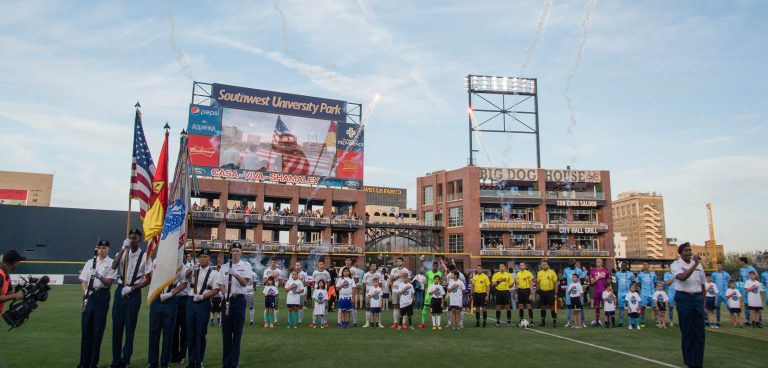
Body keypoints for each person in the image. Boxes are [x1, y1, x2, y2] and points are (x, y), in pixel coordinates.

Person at [110, 229, 149, 368]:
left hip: (134, 293)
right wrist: (122, 249)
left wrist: (132, 288)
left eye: (135, 238)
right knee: (117, 327)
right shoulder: (123, 253)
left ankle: (126, 360)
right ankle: (115, 360)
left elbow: (147, 280)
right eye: (130, 237)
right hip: (120, 291)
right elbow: (113, 266)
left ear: (139, 240)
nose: (132, 240)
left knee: (130, 328)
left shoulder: (145, 256)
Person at [79, 240, 116, 368]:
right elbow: (84, 280)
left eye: (104, 248)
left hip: (102, 295)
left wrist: (99, 276)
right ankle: (83, 362)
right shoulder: (90, 262)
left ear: (108, 249)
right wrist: (85, 292)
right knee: (86, 330)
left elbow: (109, 283)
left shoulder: (111, 263)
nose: (101, 250)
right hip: (89, 296)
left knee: (97, 330)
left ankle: (93, 363)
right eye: (100, 248)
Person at [147, 257, 188, 368]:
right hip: (157, 297)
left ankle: (165, 362)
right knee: (154, 332)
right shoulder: (157, 260)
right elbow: (151, 275)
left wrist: (171, 293)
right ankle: (153, 362)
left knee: (168, 333)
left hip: (170, 299)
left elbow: (184, 283)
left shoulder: (179, 263)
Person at [217, 242, 252, 368]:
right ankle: (226, 363)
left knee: (237, 334)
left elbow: (244, 283)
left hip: (238, 301)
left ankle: (234, 363)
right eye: (233, 251)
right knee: (226, 334)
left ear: (241, 252)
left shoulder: (246, 265)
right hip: (227, 301)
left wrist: (235, 274)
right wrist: (223, 291)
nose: (235, 253)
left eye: (237, 251)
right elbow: (220, 283)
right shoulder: (224, 267)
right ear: (230, 252)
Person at [672, 242, 707, 368]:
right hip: (684, 298)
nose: (689, 252)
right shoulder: (676, 265)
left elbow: (703, 285)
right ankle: (689, 361)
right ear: (680, 253)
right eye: (686, 250)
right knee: (687, 331)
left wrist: (704, 305)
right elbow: (682, 277)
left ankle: (698, 362)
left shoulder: (699, 266)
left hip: (697, 298)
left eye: (690, 250)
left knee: (699, 332)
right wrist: (695, 265)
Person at [185, 248, 219, 368]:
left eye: (205, 257)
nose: (203, 259)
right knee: (190, 332)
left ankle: (199, 360)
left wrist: (202, 297)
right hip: (190, 302)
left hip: (203, 304)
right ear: (198, 259)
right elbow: (184, 278)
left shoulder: (214, 273)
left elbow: (215, 290)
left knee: (200, 332)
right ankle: (191, 360)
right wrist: (190, 270)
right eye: (201, 257)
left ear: (209, 259)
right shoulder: (193, 271)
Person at [418, 259, 445, 328]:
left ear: (438, 267)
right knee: (425, 307)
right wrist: (426, 286)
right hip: (429, 294)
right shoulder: (428, 273)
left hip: (437, 295)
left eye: (436, 266)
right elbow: (426, 282)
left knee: (436, 309)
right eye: (434, 266)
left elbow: (441, 284)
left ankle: (437, 324)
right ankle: (422, 323)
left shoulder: (440, 273)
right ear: (432, 266)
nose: (435, 267)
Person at [389, 257, 411, 328]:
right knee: (395, 306)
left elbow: (409, 280)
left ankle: (403, 323)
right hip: (395, 290)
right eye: (397, 261)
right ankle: (395, 322)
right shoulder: (393, 270)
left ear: (403, 262)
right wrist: (399, 275)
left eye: (400, 261)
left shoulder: (406, 270)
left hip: (403, 291)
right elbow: (391, 279)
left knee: (403, 306)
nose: (398, 262)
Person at [536, 260, 558, 327]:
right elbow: (538, 283)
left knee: (552, 307)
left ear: (548, 265)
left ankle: (554, 321)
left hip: (550, 292)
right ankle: (543, 322)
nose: (544, 266)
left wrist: (556, 293)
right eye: (542, 264)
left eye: (545, 264)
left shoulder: (552, 272)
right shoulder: (539, 273)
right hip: (542, 292)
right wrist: (537, 293)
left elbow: (556, 283)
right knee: (542, 307)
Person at [589, 258, 610, 326]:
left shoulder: (606, 271)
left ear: (602, 263)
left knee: (606, 306)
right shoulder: (593, 271)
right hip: (596, 291)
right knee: (597, 306)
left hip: (604, 291)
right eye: (596, 262)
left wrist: (607, 280)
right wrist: (598, 277)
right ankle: (597, 321)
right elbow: (592, 282)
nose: (597, 263)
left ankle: (607, 321)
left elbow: (609, 282)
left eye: (599, 262)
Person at [636, 262, 657, 328]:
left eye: (646, 264)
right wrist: (642, 288)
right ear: (643, 266)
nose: (645, 266)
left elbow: (655, 282)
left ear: (649, 266)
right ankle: (642, 321)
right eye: (644, 265)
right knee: (642, 308)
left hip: (652, 293)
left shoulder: (653, 274)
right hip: (644, 293)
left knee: (655, 307)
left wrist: (653, 289)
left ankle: (657, 321)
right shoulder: (640, 275)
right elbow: (638, 283)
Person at [263, 258, 284, 325]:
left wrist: (277, 284)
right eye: (271, 262)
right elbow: (264, 282)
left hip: (275, 290)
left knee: (276, 306)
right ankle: (266, 320)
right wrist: (271, 276)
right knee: (267, 306)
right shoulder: (266, 270)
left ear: (276, 263)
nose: (272, 263)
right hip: (267, 290)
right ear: (269, 263)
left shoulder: (279, 271)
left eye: (274, 262)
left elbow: (281, 283)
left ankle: (275, 321)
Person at [615, 262, 636, 327]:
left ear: (626, 266)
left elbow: (633, 282)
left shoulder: (631, 274)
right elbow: (616, 283)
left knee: (631, 307)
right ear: (620, 266)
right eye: (622, 265)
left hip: (628, 293)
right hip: (620, 293)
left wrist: (632, 291)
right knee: (621, 308)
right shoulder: (617, 274)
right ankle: (621, 322)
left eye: (624, 265)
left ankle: (632, 322)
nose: (623, 266)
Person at [738, 257, 758, 325]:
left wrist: (756, 285)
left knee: (755, 304)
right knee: (746, 304)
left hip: (752, 289)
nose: (739, 263)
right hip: (745, 289)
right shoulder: (741, 269)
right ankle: (747, 320)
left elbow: (757, 277)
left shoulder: (751, 268)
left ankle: (757, 320)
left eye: (739, 261)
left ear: (743, 262)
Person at [362, 263, 383, 328]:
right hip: (368, 295)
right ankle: (367, 323)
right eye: (373, 266)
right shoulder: (366, 274)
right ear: (370, 266)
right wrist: (365, 293)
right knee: (368, 308)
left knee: (378, 309)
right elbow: (363, 285)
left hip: (377, 295)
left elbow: (380, 284)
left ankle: (379, 323)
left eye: (375, 266)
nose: (374, 267)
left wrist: (378, 291)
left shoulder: (379, 274)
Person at [563, 259, 582, 328]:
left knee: (579, 307)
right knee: (568, 306)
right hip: (569, 290)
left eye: (572, 264)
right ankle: (569, 322)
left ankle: (581, 322)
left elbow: (581, 280)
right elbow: (564, 280)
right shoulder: (566, 270)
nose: (571, 265)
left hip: (577, 291)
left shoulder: (579, 270)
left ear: (574, 264)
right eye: (569, 264)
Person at [312, 260, 331, 327]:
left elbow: (328, 282)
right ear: (318, 265)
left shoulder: (327, 273)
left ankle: (324, 322)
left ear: (324, 265)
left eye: (322, 264)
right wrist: (315, 288)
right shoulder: (315, 272)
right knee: (315, 307)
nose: (321, 265)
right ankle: (314, 321)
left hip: (324, 291)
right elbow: (313, 281)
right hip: (316, 291)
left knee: (325, 307)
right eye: (319, 264)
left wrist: (325, 288)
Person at [710, 260, 730, 326]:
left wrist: (729, 291)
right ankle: (717, 320)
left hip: (725, 293)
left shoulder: (726, 274)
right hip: (717, 293)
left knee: (729, 306)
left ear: (722, 266)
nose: (718, 267)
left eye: (719, 265)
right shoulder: (714, 274)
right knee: (717, 307)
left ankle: (733, 319)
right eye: (717, 265)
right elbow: (712, 283)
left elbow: (730, 282)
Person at [515, 262, 534, 326]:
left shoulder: (529, 273)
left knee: (529, 305)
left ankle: (531, 321)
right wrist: (517, 293)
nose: (521, 266)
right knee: (520, 306)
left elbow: (531, 283)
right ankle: (521, 320)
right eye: (520, 265)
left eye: (522, 265)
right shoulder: (518, 274)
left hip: (527, 290)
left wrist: (531, 293)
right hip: (520, 291)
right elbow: (517, 283)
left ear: (525, 266)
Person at [293, 261, 308, 326]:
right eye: (296, 265)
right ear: (295, 266)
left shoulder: (304, 273)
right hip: (294, 292)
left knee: (300, 306)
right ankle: (294, 319)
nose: (297, 266)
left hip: (301, 292)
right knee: (294, 306)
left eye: (299, 265)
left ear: (301, 266)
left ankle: (300, 321)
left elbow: (306, 283)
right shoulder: (292, 274)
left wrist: (300, 284)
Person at [210, 258, 224, 327]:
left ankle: (215, 321)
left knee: (215, 310)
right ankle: (217, 321)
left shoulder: (214, 273)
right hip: (217, 293)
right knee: (217, 310)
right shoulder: (216, 273)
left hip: (216, 294)